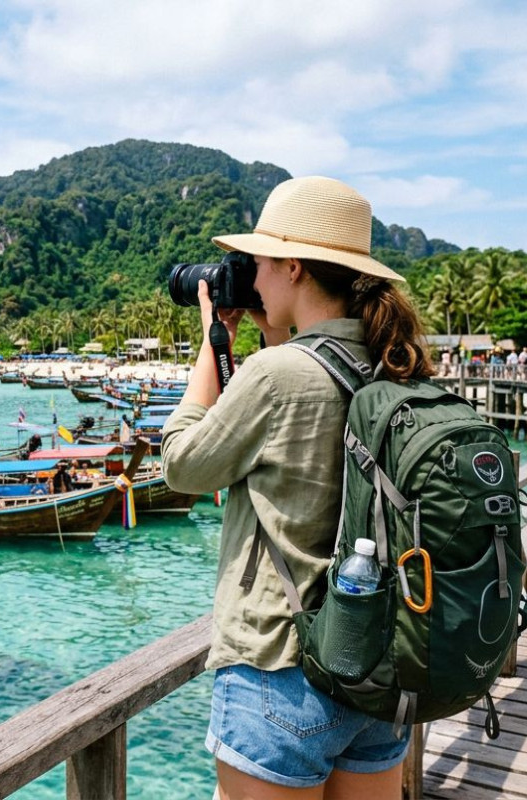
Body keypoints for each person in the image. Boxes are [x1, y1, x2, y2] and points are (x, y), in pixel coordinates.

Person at [162, 176, 423, 798]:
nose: (249, 275)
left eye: (257, 261)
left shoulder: (275, 374)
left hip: (282, 664)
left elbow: (182, 465)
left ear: (294, 267)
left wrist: (211, 342)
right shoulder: (397, 362)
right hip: (378, 665)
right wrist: (272, 329)